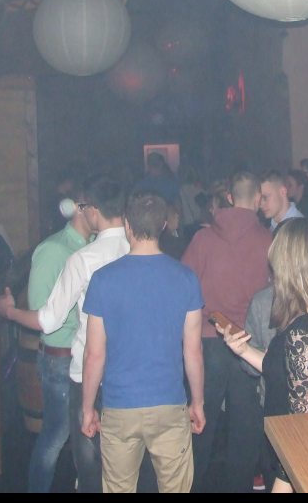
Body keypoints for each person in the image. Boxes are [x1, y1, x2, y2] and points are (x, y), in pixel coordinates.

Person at [0, 174, 128, 494]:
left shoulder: (93, 249)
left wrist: (10, 312)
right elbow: (47, 316)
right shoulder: (54, 250)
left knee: (90, 441)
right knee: (57, 438)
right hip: (64, 358)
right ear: (82, 209)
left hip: (94, 360)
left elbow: (52, 317)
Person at [81, 192, 205, 493]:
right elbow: (193, 351)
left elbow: (94, 354)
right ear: (163, 225)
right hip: (169, 404)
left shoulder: (103, 279)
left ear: (127, 225)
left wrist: (87, 408)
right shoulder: (186, 278)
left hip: (119, 405)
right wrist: (198, 403)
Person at [219, 219, 308, 493]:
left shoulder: (304, 332)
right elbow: (285, 370)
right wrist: (244, 350)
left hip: (298, 459)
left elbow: (303, 428)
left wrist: (283, 480)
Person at [182, 172, 272, 493]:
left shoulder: (202, 239)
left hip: (210, 342)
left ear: (230, 198)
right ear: (258, 198)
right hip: (250, 345)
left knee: (201, 422)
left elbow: (183, 285)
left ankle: (191, 486)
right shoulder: (268, 240)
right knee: (245, 429)